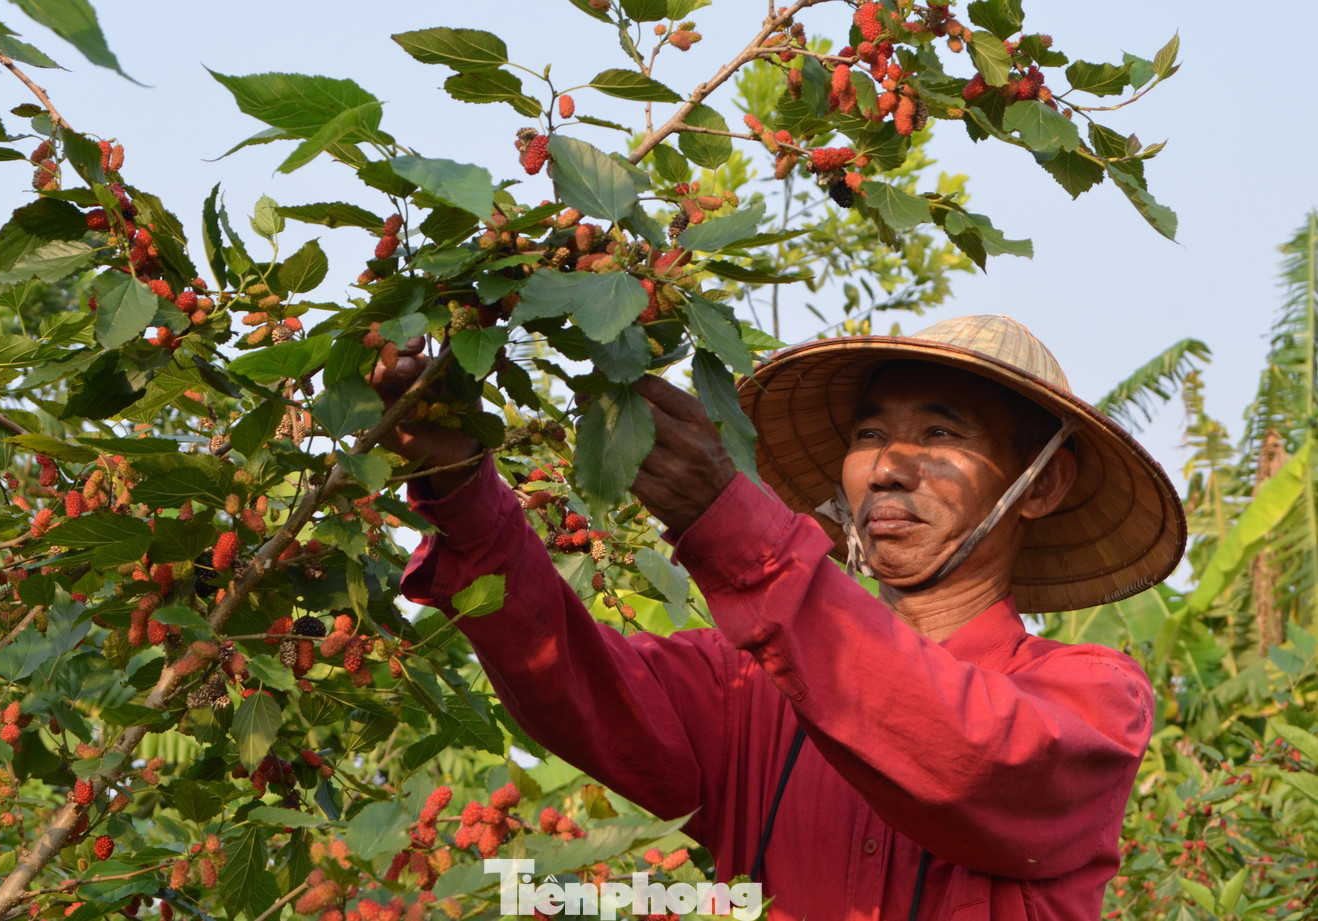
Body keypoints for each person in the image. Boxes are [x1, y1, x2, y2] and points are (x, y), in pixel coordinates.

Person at [374, 315, 1185, 921]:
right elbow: (575, 686)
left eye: (941, 432)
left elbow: (968, 756)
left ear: (1041, 485)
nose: (888, 466)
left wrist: (733, 528)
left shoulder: (1094, 698)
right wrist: (463, 490)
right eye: (870, 433)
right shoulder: (748, 691)